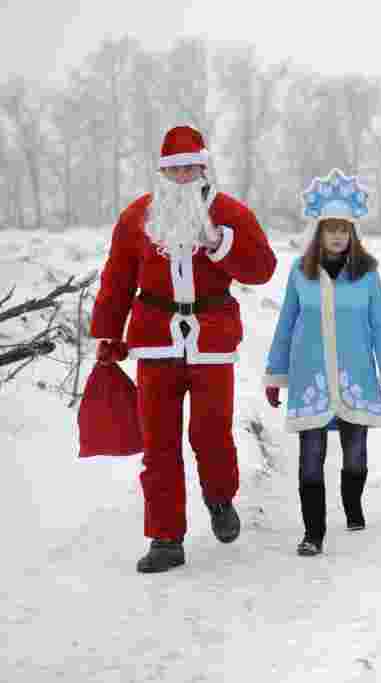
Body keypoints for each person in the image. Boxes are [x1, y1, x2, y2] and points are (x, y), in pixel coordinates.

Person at [90, 125, 277, 573]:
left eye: (190, 168)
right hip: (155, 339)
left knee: (211, 433)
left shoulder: (230, 212)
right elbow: (117, 278)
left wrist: (220, 244)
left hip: (211, 339)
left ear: (204, 167)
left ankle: (219, 498)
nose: (182, 177)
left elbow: (262, 269)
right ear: (161, 173)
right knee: (159, 443)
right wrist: (109, 333)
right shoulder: (138, 216)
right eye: (173, 171)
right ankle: (165, 537)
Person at [264, 169, 381, 556]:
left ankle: (353, 503)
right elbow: (286, 324)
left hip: (356, 375)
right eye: (331, 229)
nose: (338, 235)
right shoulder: (299, 273)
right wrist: (276, 375)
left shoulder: (367, 275)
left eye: (344, 229)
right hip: (311, 379)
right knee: (311, 458)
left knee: (355, 456)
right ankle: (313, 534)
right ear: (319, 233)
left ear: (353, 233)